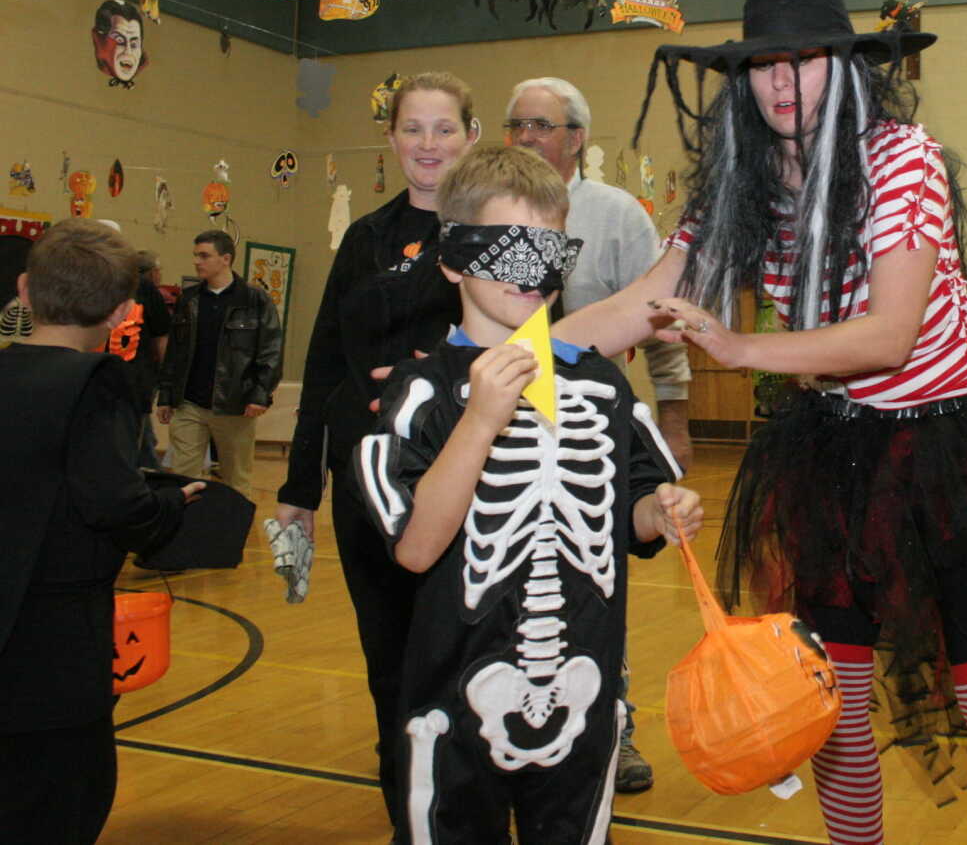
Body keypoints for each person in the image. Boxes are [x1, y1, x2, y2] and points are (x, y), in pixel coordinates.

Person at [554, 0, 967, 845]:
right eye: (764, 64)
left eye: (806, 58)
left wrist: (741, 349)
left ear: (847, 66)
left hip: (957, 451)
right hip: (842, 457)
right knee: (832, 705)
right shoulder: (740, 184)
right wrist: (502, 361)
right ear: (742, 78)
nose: (783, 81)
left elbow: (889, 335)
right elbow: (645, 300)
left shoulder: (903, 160)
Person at [356, 144, 702, 844]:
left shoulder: (600, 385)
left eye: (548, 249)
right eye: (506, 247)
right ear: (454, 259)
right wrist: (480, 420)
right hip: (452, 701)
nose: (530, 270)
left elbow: (630, 510)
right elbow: (416, 548)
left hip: (585, 690)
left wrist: (660, 511)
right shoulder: (421, 392)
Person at [274, 71, 480, 832]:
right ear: (391, 139)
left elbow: (534, 350)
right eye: (413, 128)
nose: (428, 144)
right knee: (388, 659)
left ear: (471, 136)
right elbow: (325, 357)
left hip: (463, 482)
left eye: (444, 128)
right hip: (365, 483)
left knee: (463, 661)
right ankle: (410, 817)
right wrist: (300, 486)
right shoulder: (364, 237)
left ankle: (471, 813)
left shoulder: (496, 234)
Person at [503, 74, 692, 792]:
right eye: (517, 125)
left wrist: (673, 414)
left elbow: (661, 316)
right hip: (498, 424)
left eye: (541, 125)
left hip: (591, 428)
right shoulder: (485, 209)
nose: (526, 137)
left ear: (577, 137)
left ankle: (615, 726)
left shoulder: (616, 214)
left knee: (593, 578)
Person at [0, 220, 200, 843]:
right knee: (61, 799)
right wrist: (168, 507)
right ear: (120, 313)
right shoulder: (93, 384)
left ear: (25, 290)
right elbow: (115, 502)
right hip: (55, 642)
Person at [156, 229, 283, 497]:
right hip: (189, 403)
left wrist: (260, 394)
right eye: (195, 255)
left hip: (235, 405)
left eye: (204, 256)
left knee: (237, 481)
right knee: (182, 478)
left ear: (226, 259)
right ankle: (188, 524)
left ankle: (234, 524)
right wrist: (166, 395)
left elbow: (271, 351)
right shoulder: (188, 298)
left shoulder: (255, 299)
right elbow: (175, 351)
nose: (197, 261)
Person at [105, 249, 172, 468]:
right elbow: (162, 337)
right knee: (135, 434)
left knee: (135, 431)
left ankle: (147, 469)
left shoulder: (113, 286)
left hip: (120, 374)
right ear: (153, 272)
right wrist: (166, 377)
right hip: (132, 376)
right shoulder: (147, 290)